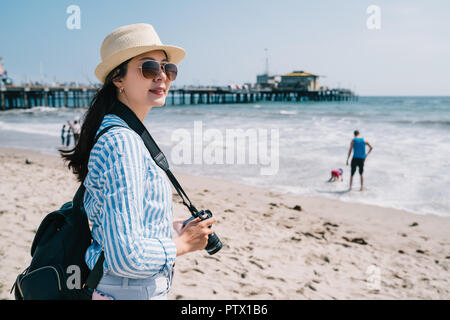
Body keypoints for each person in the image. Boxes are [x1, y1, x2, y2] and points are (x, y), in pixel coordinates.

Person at [59, 23, 215, 300]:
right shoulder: (123, 143)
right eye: (149, 68)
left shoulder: (121, 132)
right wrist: (182, 244)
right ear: (117, 79)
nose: (162, 77)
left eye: (168, 69)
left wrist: (170, 226)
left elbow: (117, 225)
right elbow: (126, 257)